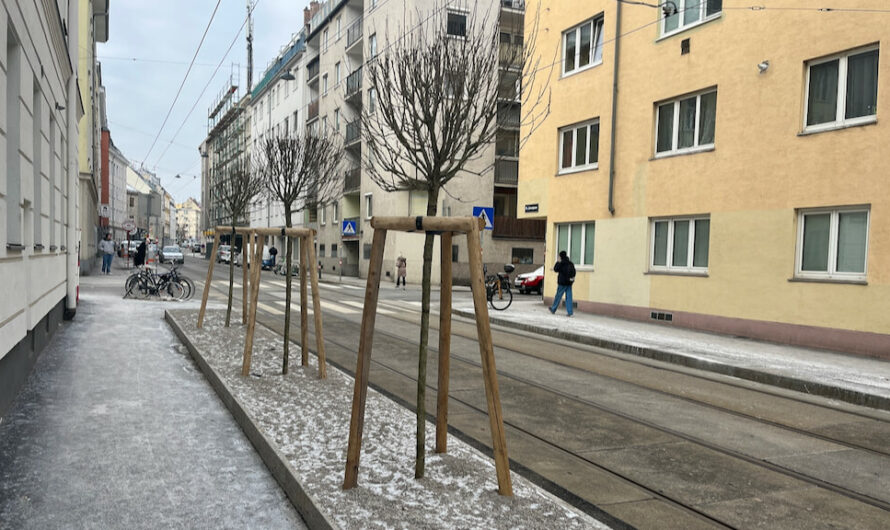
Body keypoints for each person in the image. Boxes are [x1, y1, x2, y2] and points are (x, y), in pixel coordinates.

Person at [549, 250, 576, 316]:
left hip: (562, 283)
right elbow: (574, 272)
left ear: (560, 256)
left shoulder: (561, 263)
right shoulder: (570, 263)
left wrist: (558, 262)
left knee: (558, 296)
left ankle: (553, 308)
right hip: (569, 283)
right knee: (569, 297)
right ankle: (570, 312)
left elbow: (555, 269)